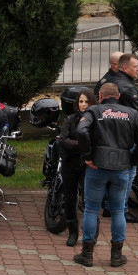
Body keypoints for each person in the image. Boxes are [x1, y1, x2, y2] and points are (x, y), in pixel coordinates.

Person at [74, 82, 138, 269]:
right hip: (121, 168)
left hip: (97, 167)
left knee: (92, 209)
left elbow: (81, 131)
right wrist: (131, 161)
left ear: (100, 96)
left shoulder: (94, 111)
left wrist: (88, 156)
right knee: (117, 210)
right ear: (119, 95)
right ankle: (116, 255)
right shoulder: (132, 114)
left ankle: (87, 254)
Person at [56, 89, 96, 247]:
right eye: (81, 101)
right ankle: (72, 231)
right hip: (70, 164)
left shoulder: (95, 121)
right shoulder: (70, 120)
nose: (83, 105)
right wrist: (81, 144)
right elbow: (63, 140)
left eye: (86, 102)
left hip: (88, 165)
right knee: (69, 198)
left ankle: (92, 233)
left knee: (89, 199)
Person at [115, 53, 138, 223]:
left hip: (116, 135)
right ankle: (121, 210)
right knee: (129, 173)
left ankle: (112, 207)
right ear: (124, 68)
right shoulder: (128, 89)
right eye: (135, 67)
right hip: (128, 136)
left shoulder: (114, 81)